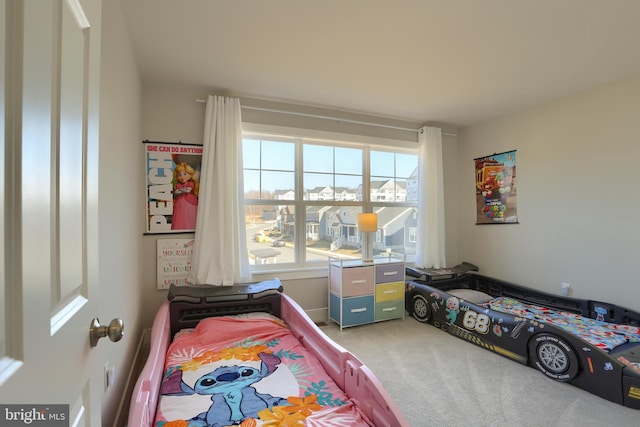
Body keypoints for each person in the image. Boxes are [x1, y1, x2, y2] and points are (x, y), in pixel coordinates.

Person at [171, 162, 199, 230]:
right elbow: (177, 192)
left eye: (185, 174)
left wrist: (181, 190)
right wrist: (182, 190)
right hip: (180, 203)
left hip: (190, 202)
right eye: (179, 175)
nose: (182, 177)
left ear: (190, 175)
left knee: (191, 217)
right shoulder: (178, 185)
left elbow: (187, 191)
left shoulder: (191, 183)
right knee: (179, 218)